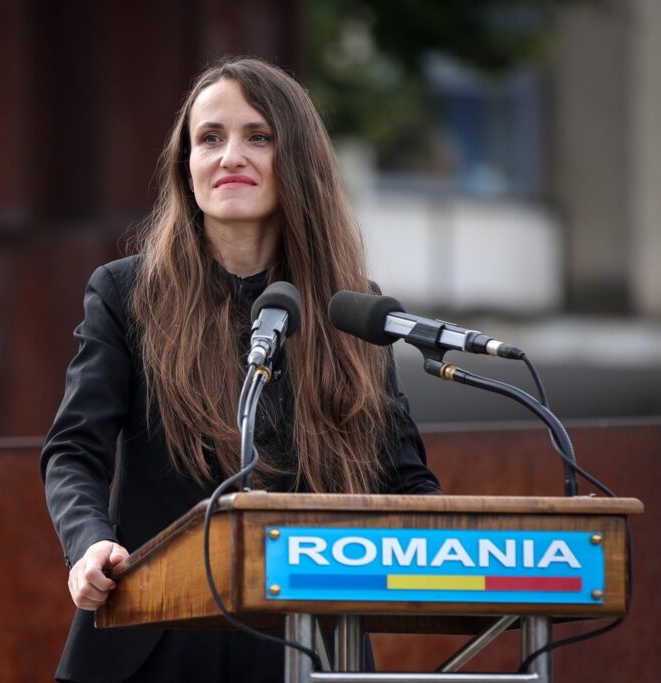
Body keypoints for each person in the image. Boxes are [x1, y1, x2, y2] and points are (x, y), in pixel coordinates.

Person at [40, 56, 440, 683]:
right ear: (187, 166)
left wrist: (455, 544)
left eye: (258, 136)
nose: (231, 156)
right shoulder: (127, 294)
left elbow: (406, 480)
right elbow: (73, 451)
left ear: (298, 159)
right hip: (152, 640)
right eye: (210, 138)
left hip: (310, 646)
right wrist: (89, 543)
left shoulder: (351, 309)